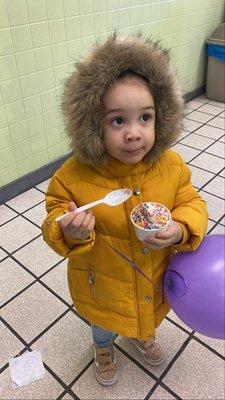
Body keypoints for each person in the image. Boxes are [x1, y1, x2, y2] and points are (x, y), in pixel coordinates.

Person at [42, 34, 208, 386]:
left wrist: (180, 229)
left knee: (145, 309)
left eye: (145, 118)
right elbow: (55, 215)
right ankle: (103, 347)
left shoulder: (172, 165)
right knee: (103, 322)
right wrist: (69, 230)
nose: (134, 133)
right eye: (118, 121)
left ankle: (141, 333)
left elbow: (192, 202)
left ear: (160, 117)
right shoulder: (73, 175)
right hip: (101, 282)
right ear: (92, 125)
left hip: (151, 273)